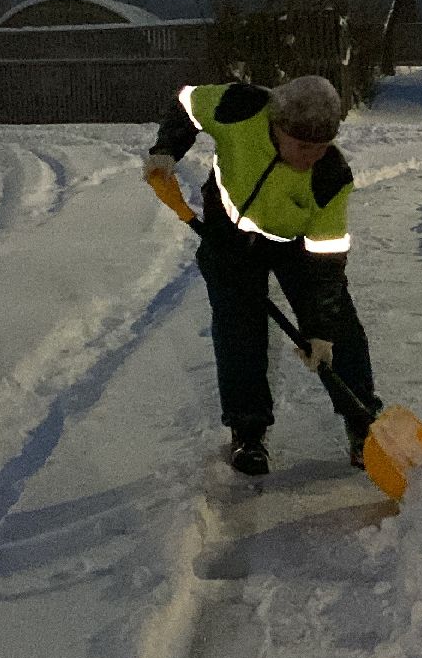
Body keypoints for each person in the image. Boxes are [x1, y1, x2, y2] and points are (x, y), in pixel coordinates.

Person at [142, 75, 382, 476]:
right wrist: (166, 150)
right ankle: (248, 431)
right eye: (303, 147)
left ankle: (363, 424)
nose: (312, 157)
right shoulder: (241, 107)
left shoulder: (331, 176)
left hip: (295, 246)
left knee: (340, 328)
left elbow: (326, 262)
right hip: (229, 235)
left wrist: (320, 331)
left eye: (322, 147)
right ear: (277, 125)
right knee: (239, 328)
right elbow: (186, 103)